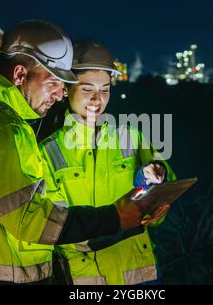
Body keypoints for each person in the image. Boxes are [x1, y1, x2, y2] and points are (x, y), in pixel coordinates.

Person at [0, 20, 162, 285]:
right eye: (54, 82)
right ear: (20, 75)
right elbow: (30, 219)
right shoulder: (5, 129)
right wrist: (115, 218)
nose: (60, 93)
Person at [36, 39, 176, 285]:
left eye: (105, 89)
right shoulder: (48, 151)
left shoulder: (131, 137)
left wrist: (153, 177)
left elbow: (164, 201)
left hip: (139, 276)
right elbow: (50, 226)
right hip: (83, 279)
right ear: (66, 88)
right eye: (87, 89)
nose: (97, 99)